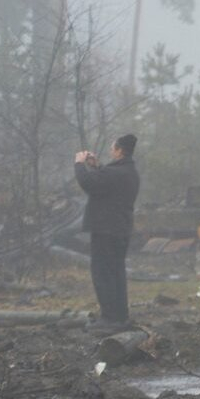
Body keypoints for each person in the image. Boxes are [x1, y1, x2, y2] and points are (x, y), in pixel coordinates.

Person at [74, 134, 141, 331]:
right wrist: (97, 167)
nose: (111, 151)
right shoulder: (130, 172)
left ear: (120, 150)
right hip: (121, 229)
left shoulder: (114, 173)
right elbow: (108, 184)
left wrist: (79, 164)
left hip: (105, 230)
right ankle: (120, 316)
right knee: (116, 273)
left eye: (113, 148)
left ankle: (109, 318)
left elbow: (88, 184)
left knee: (103, 273)